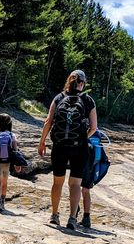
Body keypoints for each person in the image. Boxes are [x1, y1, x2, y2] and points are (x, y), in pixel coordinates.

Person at [38, 69, 97, 230]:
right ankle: (72, 218)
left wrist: (42, 142)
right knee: (75, 184)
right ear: (82, 83)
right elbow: (94, 127)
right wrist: (82, 137)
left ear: (68, 81)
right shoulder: (88, 100)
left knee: (58, 182)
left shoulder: (59, 97)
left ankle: (55, 215)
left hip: (59, 146)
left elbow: (48, 122)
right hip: (80, 147)